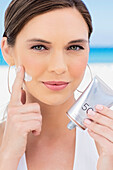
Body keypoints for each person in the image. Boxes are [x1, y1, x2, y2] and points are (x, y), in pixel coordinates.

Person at [0, 0, 113, 169]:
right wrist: (7, 158)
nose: (59, 67)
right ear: (8, 51)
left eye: (74, 47)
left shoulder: (107, 147)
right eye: (39, 47)